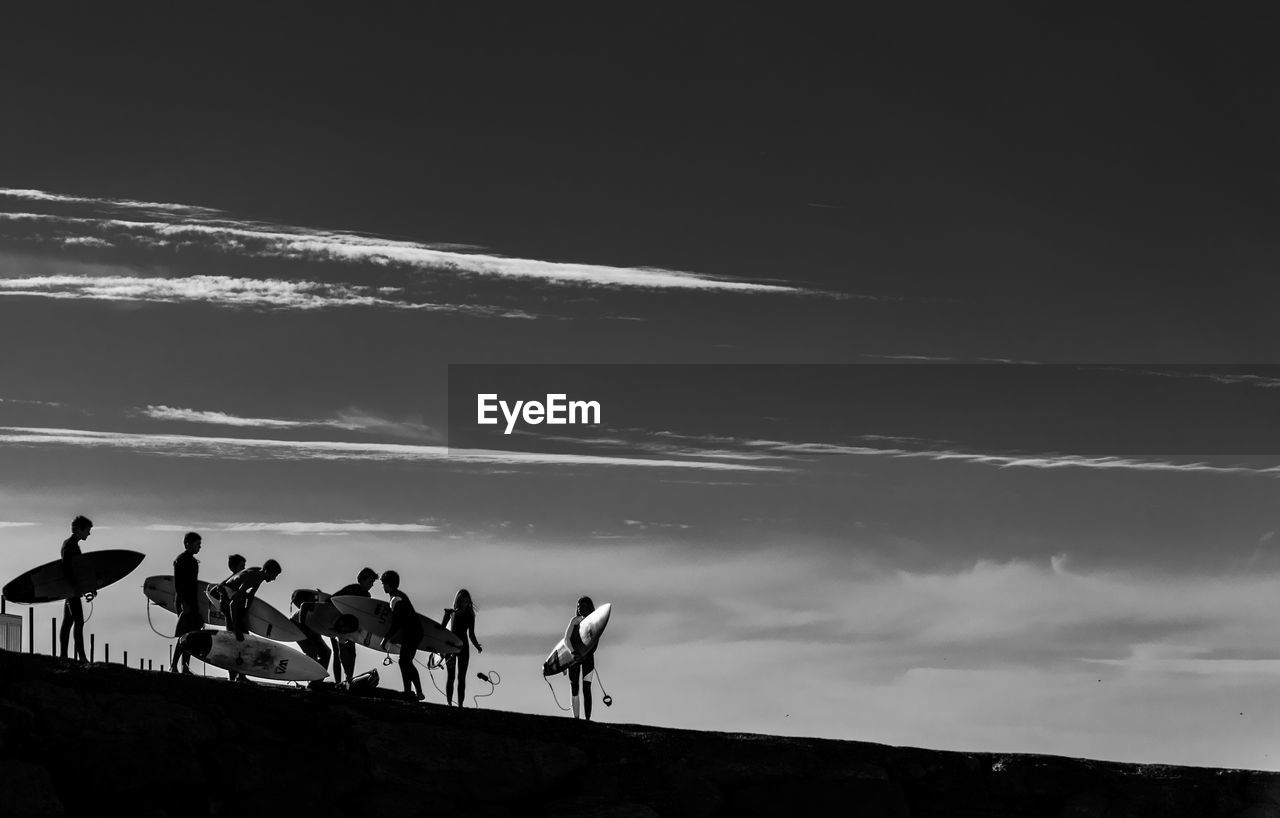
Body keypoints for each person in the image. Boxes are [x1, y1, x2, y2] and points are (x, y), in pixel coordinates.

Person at [377, 570, 424, 701]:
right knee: (405, 662)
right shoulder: (398, 595)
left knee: (405, 661)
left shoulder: (395, 598)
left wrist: (385, 639)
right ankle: (411, 691)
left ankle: (413, 691)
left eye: (383, 584)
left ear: (388, 584)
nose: (382, 587)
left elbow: (397, 622)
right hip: (414, 632)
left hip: (413, 633)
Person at [328, 567, 378, 685]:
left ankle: (345, 680)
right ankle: (344, 681)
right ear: (362, 580)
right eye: (370, 582)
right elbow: (333, 600)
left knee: (346, 652)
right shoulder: (357, 590)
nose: (371, 585)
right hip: (339, 624)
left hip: (345, 625)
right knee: (341, 652)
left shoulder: (361, 592)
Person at [59, 515, 94, 662]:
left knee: (68, 622)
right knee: (78, 621)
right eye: (87, 530)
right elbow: (69, 571)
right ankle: (82, 657)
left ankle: (63, 656)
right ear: (79, 529)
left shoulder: (71, 544)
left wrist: (87, 588)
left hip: (72, 590)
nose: (89, 533)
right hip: (72, 590)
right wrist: (79, 588)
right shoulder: (70, 546)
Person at [441, 589, 483, 707]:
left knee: (462, 677)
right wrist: (445, 616)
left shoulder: (470, 616)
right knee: (451, 676)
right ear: (458, 601)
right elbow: (441, 629)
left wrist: (476, 645)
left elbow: (471, 634)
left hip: (463, 648)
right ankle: (449, 702)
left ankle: (460, 704)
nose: (465, 603)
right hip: (450, 647)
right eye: (462, 601)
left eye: (466, 601)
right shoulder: (451, 613)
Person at [169, 532, 203, 674]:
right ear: (188, 544)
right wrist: (184, 602)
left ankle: (184, 666)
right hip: (184, 601)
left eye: (200, 545)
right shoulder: (181, 560)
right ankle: (175, 665)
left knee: (191, 634)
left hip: (192, 601)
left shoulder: (193, 561)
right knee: (185, 634)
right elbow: (178, 584)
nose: (199, 547)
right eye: (197, 544)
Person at [223, 559, 282, 641]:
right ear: (267, 571)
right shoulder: (252, 576)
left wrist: (245, 611)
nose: (274, 578)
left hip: (236, 594)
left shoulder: (260, 575)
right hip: (225, 592)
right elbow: (232, 604)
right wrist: (236, 629)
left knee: (243, 631)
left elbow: (250, 595)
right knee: (235, 634)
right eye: (274, 575)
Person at [565, 596, 597, 721]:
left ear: (588, 607)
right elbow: (566, 639)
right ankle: (576, 719)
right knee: (574, 688)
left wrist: (586, 653)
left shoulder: (593, 623)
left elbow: (594, 642)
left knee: (586, 688)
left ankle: (588, 719)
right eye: (578, 606)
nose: (579, 608)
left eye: (582, 605)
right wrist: (573, 653)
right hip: (574, 658)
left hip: (588, 658)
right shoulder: (574, 621)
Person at [216, 554, 247, 681]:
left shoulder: (240, 582)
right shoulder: (226, 585)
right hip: (233, 621)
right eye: (241, 566)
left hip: (241, 619)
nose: (244, 569)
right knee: (234, 648)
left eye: (244, 566)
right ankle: (233, 677)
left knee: (243, 647)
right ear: (233, 567)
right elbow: (224, 606)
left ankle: (241, 675)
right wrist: (234, 626)